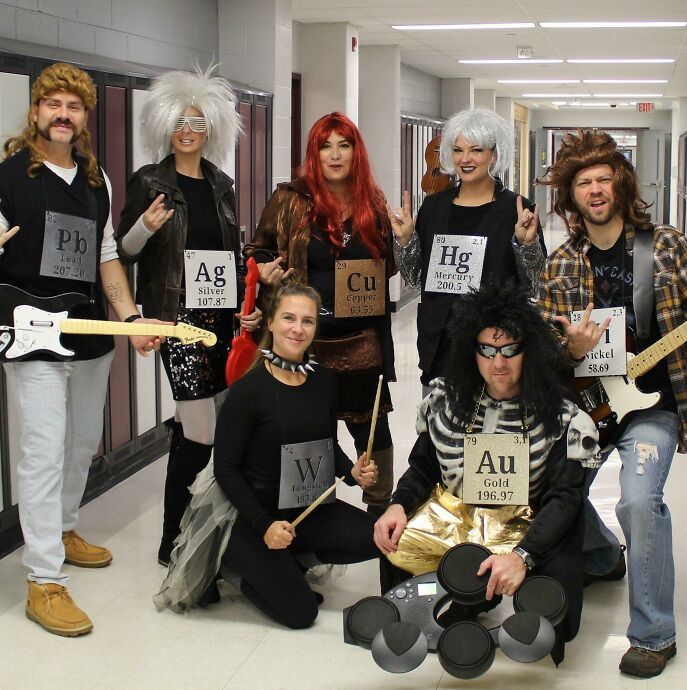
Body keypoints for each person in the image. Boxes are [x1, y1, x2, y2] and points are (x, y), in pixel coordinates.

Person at [0, 62, 165, 636]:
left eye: (74, 106)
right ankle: (43, 579)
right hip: (33, 335)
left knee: (78, 445)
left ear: (84, 118)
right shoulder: (7, 177)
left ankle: (63, 528)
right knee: (43, 453)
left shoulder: (97, 181)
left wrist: (130, 317)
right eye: (54, 105)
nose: (63, 115)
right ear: (36, 111)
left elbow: (105, 256)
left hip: (89, 333)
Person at [537, 129, 687, 678]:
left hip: (652, 406)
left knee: (637, 500)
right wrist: (568, 348)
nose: (596, 189)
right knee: (549, 487)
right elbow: (541, 348)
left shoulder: (667, 245)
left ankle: (655, 634)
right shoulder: (559, 264)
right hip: (587, 405)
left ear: (621, 184)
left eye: (604, 178)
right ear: (571, 196)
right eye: (584, 182)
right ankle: (605, 556)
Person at [374, 280, 601, 664]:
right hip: (461, 517)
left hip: (530, 525)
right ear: (471, 351)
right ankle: (459, 599)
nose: (499, 362)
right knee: (394, 541)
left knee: (560, 620)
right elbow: (424, 466)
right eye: (487, 350)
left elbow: (565, 499)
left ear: (529, 350)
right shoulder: (445, 402)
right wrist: (397, 505)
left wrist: (524, 557)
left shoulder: (563, 416)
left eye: (511, 350)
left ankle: (493, 591)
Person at [155, 278, 380, 627]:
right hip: (249, 516)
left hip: (305, 507)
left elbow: (325, 443)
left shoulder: (323, 380)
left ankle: (293, 559)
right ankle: (236, 570)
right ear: (271, 322)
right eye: (289, 318)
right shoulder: (249, 390)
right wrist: (264, 525)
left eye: (307, 321)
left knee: (379, 537)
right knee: (302, 613)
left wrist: (350, 472)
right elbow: (225, 469)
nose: (298, 329)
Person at [115, 67, 260, 566]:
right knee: (200, 428)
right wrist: (143, 227)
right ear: (164, 126)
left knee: (216, 423)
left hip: (220, 319)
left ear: (211, 129)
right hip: (176, 320)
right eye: (179, 121)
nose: (187, 130)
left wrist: (247, 300)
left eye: (197, 122)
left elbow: (230, 253)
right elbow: (123, 254)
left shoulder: (222, 184)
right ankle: (172, 538)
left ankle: (209, 527)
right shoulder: (149, 181)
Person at [245, 112, 395, 516]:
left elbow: (388, 270)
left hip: (362, 341)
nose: (334, 154)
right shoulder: (290, 199)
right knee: (308, 436)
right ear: (313, 153)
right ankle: (304, 523)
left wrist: (404, 238)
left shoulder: (372, 201)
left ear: (355, 152)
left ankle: (381, 519)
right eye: (325, 146)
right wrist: (264, 269)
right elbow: (257, 249)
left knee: (373, 436)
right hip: (305, 343)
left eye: (343, 145)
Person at [389, 107, 546, 392]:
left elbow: (532, 283)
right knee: (437, 431)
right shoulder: (434, 207)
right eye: (458, 150)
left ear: (493, 155)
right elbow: (415, 279)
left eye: (476, 150)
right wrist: (405, 241)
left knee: (492, 434)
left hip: (495, 349)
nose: (466, 159)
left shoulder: (517, 210)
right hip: (440, 344)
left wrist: (526, 244)